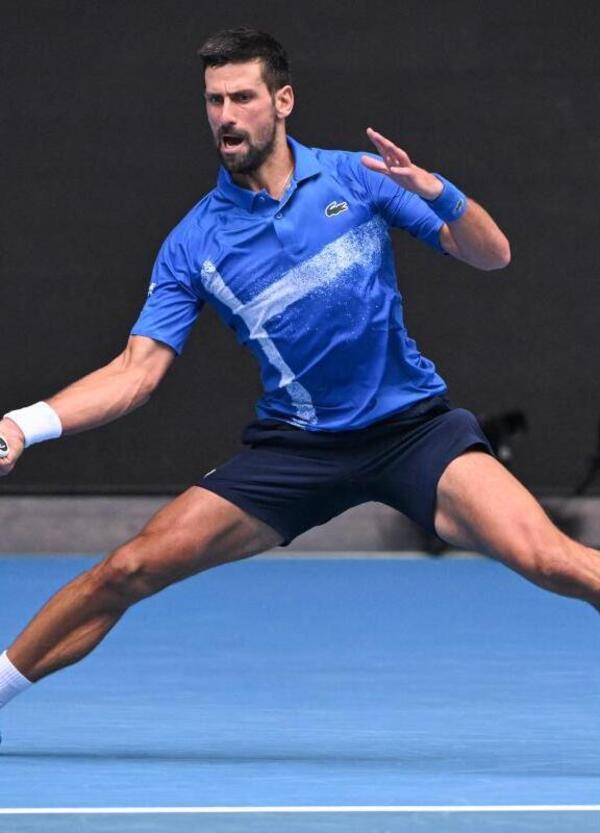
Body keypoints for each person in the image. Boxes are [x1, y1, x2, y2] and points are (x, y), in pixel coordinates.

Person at [0, 28, 597, 722]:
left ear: (282, 101)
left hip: (413, 432)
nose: (226, 115)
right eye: (214, 100)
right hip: (298, 450)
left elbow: (492, 255)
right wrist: (23, 423)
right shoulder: (195, 242)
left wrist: (439, 191)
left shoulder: (360, 179)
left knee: (551, 558)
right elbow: (136, 371)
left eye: (243, 97)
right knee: (129, 568)